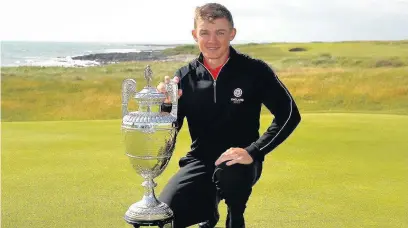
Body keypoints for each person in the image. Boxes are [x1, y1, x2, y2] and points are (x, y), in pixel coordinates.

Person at [157, 3, 301, 228]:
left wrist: (254, 151)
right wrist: (166, 106)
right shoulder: (184, 77)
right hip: (200, 160)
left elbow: (289, 113)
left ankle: (235, 216)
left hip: (241, 160)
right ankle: (208, 212)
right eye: (205, 32)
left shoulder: (255, 71)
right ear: (195, 35)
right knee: (164, 218)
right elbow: (170, 129)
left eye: (220, 33)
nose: (212, 40)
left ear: (232, 34)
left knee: (230, 172)